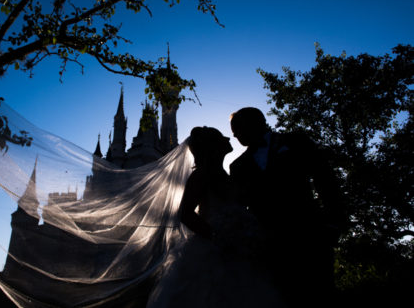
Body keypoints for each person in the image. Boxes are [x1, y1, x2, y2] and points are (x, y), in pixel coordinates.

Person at [147, 126, 286, 308]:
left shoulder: (227, 174)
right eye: (221, 137)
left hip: (239, 248)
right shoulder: (202, 175)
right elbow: (186, 213)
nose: (229, 138)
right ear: (212, 146)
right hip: (214, 249)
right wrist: (219, 238)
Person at [229, 107, 345, 307]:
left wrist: (334, 223)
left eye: (237, 128)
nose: (235, 135)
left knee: (321, 294)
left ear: (257, 123)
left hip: (311, 235)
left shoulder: (296, 142)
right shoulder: (238, 166)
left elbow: (325, 180)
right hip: (271, 245)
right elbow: (240, 207)